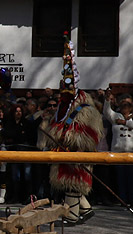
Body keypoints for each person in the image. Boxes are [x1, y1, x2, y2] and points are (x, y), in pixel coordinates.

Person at [44, 37, 104, 222]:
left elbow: (89, 135)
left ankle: (72, 214)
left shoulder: (87, 110)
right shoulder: (63, 107)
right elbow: (55, 127)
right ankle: (85, 209)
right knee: (69, 183)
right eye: (63, 87)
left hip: (78, 154)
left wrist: (69, 139)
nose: (65, 91)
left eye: (69, 87)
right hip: (65, 153)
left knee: (73, 184)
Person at [103, 93, 133, 207]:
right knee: (121, 177)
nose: (125, 107)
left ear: (131, 107)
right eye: (123, 105)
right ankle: (123, 199)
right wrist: (107, 100)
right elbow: (106, 112)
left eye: (127, 105)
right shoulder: (115, 116)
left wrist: (126, 122)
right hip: (119, 151)